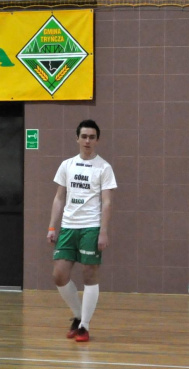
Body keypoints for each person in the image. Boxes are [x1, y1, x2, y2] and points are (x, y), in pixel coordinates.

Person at [47, 119, 117, 342]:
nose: (87, 141)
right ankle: (78, 316)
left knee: (89, 275)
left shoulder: (104, 168)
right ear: (77, 138)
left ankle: (84, 326)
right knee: (59, 275)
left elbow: (106, 202)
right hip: (68, 227)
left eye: (92, 137)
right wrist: (52, 226)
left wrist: (103, 231)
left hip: (91, 227)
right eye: (84, 136)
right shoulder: (67, 165)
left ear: (97, 140)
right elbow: (59, 197)